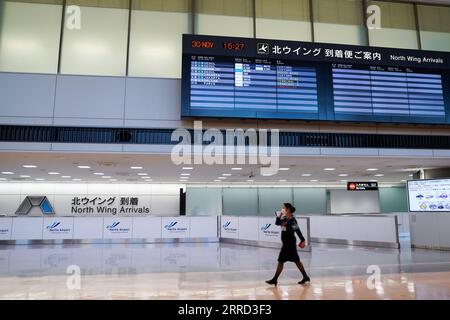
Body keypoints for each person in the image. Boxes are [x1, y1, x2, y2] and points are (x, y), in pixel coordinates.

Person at [266, 203, 310, 286]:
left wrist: (302, 240)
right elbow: (277, 223)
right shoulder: (285, 218)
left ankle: (275, 279)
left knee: (281, 261)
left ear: (288, 209)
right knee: (296, 261)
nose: (282, 209)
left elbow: (297, 230)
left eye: (284, 208)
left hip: (290, 244)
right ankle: (305, 277)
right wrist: (280, 214)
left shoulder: (292, 220)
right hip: (286, 243)